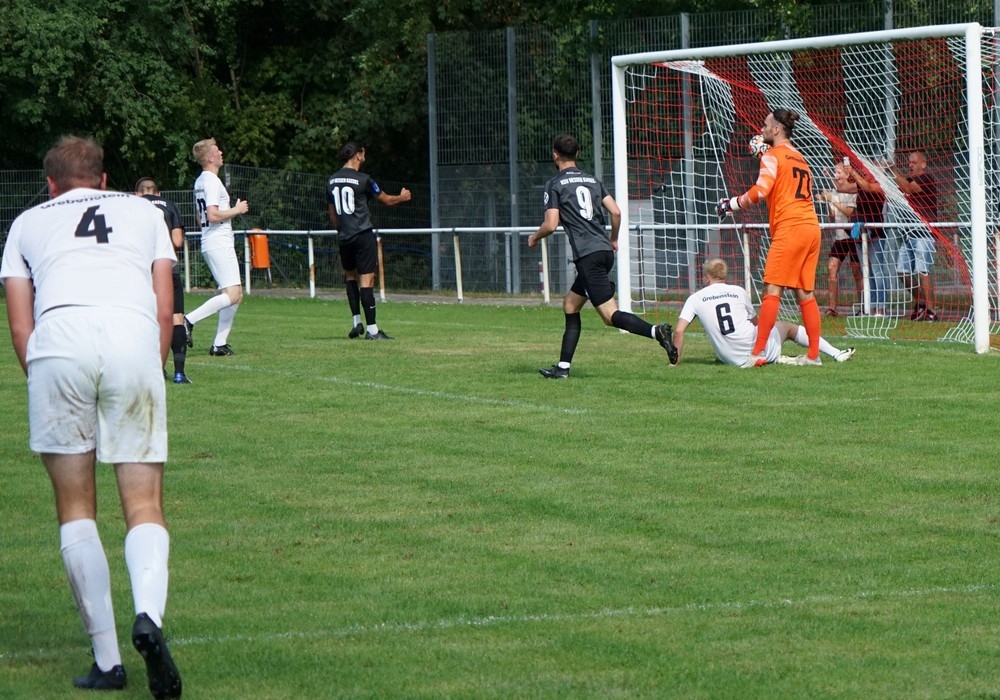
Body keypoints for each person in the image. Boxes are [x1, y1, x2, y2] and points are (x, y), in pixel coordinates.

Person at [0, 136, 182, 698]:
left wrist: (43, 378)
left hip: (59, 340)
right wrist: (150, 369)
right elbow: (164, 307)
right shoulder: (145, 211)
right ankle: (147, 615)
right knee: (144, 503)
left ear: (50, 184)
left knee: (76, 508)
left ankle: (108, 661)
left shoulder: (26, 223)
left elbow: (20, 323)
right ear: (104, 180)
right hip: (132, 337)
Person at [528, 134, 676, 378]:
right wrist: (614, 238)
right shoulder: (593, 180)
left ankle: (657, 332)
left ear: (555, 155)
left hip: (588, 256)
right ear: (577, 154)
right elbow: (615, 212)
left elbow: (551, 224)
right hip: (604, 252)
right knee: (570, 304)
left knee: (609, 316)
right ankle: (562, 368)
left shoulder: (555, 184)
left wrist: (534, 237)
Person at [716, 109, 823, 366]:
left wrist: (731, 204)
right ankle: (813, 355)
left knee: (772, 289)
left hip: (790, 227)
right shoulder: (799, 157)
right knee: (804, 293)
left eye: (765, 125)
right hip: (811, 227)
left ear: (776, 129)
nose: (762, 129)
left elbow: (760, 191)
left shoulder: (772, 156)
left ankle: (756, 353)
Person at [671, 258, 855, 366]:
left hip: (730, 357)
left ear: (706, 277)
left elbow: (678, 331)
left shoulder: (695, 298)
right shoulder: (739, 291)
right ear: (724, 275)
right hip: (753, 349)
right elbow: (756, 323)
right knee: (786, 327)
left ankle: (765, 357)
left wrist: (674, 362)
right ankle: (835, 353)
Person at [327, 141, 411, 340]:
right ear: (358, 155)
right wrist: (402, 197)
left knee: (350, 276)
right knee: (367, 280)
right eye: (363, 153)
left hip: (344, 237)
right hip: (362, 235)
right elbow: (387, 200)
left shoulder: (331, 180)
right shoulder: (364, 180)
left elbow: (332, 215)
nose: (364, 157)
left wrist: (342, 230)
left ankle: (356, 322)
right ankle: (372, 330)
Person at [185, 137, 249, 355]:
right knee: (232, 295)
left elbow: (200, 216)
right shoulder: (211, 181)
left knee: (235, 294)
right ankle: (188, 320)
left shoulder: (200, 181)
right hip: (218, 241)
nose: (221, 153)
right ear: (210, 157)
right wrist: (237, 210)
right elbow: (212, 215)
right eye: (217, 150)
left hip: (211, 240)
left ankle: (219, 344)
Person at [136, 177, 191, 383]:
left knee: (145, 318)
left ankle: (154, 369)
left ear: (137, 194)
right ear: (158, 193)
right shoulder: (169, 205)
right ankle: (179, 373)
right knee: (176, 317)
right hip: (167, 268)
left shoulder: (132, 206)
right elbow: (177, 240)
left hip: (142, 269)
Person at [891, 150, 939, 321]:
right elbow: (900, 187)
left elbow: (908, 188)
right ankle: (921, 303)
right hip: (909, 233)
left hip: (923, 233)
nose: (910, 165)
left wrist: (892, 171)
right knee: (902, 271)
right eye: (909, 162)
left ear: (923, 164)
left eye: (914, 162)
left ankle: (931, 311)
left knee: (923, 271)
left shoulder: (926, 178)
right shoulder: (908, 180)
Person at [843, 164, 889, 316]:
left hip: (875, 233)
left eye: (867, 171)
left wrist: (853, 173)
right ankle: (871, 306)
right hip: (859, 231)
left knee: (877, 270)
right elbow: (843, 188)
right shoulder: (860, 184)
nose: (865, 173)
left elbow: (868, 187)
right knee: (866, 271)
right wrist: (839, 175)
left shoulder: (879, 185)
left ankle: (881, 307)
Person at [821, 163, 860, 316]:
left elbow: (849, 212)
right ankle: (832, 308)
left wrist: (833, 200)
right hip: (840, 237)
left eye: (838, 172)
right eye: (835, 172)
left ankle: (863, 305)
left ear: (846, 174)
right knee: (831, 267)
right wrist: (826, 201)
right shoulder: (834, 190)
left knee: (857, 271)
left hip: (852, 235)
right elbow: (832, 215)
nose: (835, 175)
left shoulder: (852, 191)